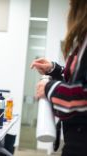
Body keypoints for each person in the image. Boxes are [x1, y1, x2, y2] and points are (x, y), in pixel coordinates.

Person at [30, 0, 87, 155]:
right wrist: (54, 69)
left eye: (71, 5)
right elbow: (79, 80)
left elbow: (83, 94)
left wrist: (49, 88)